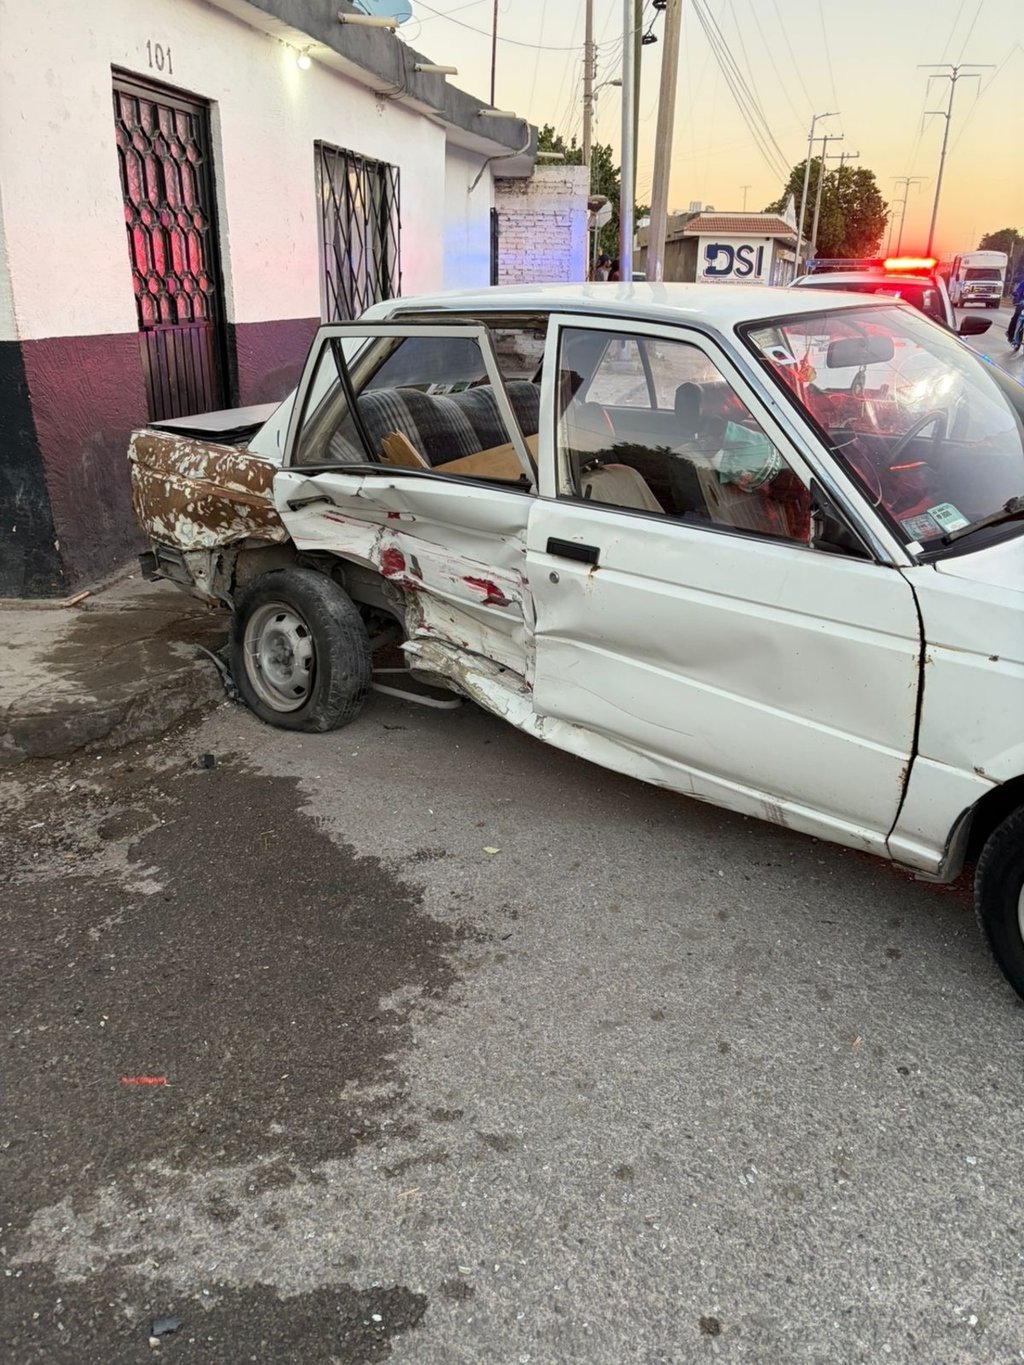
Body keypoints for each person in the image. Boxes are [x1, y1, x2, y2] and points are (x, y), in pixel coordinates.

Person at [1007, 276, 1024, 350]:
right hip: (1022, 304)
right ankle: (1011, 336)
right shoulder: (1023, 283)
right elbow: (1018, 292)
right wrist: (1017, 299)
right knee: (1016, 318)